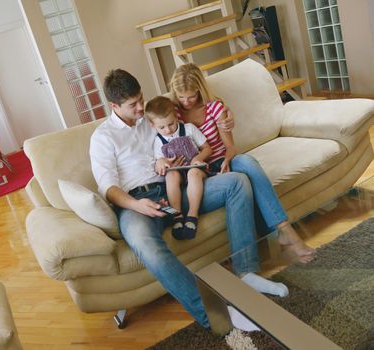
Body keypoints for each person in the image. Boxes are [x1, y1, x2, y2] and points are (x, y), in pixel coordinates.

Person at [90, 68, 289, 329]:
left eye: (141, 98)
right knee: (145, 243)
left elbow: (193, 103)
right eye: (133, 104)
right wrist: (138, 204)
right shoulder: (103, 137)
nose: (141, 107)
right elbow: (108, 188)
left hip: (176, 190)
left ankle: (247, 272)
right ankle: (217, 315)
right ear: (114, 105)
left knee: (237, 183)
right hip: (135, 203)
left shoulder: (152, 117)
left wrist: (227, 116)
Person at [169, 63, 315, 261]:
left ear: (200, 90)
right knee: (240, 179)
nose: (186, 101)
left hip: (222, 159)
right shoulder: (172, 114)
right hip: (198, 171)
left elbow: (230, 147)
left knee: (247, 162)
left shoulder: (215, 108)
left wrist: (227, 161)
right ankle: (279, 237)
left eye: (191, 96)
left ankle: (285, 229)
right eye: (181, 96)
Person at [145, 95, 212, 240]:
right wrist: (162, 162)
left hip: (197, 170)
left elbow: (207, 148)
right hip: (178, 175)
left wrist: (198, 158)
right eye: (161, 127)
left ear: (176, 116)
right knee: (171, 175)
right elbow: (159, 162)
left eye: (171, 124)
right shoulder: (158, 141)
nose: (168, 130)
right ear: (152, 126)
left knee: (193, 173)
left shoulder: (188, 129)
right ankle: (177, 215)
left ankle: (192, 215)